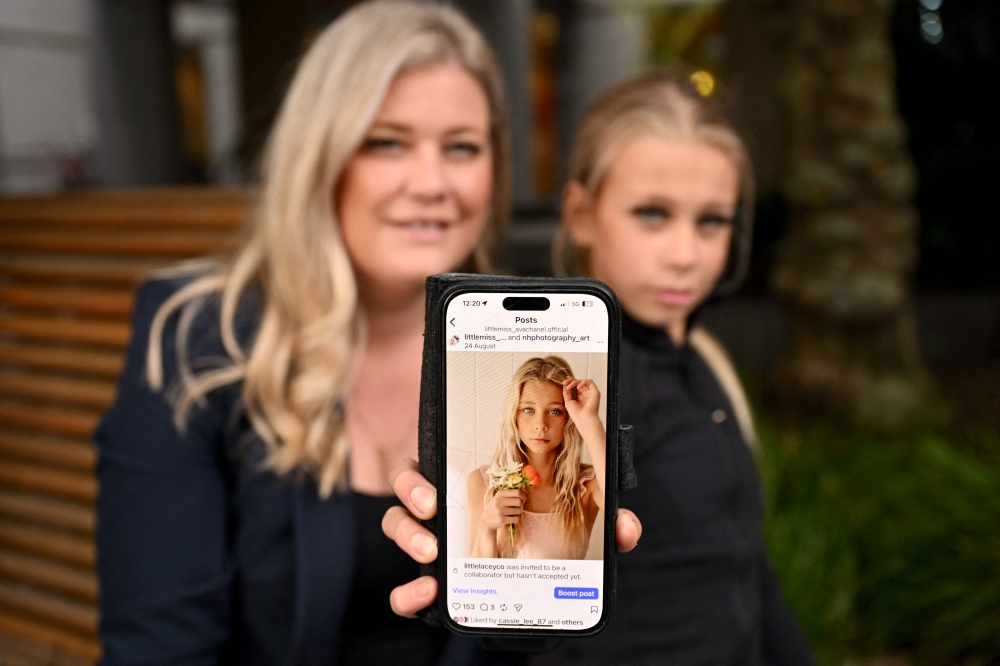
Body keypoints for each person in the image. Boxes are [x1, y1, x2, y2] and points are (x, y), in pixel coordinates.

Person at [94, 2, 640, 663]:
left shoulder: (522, 343)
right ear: (319, 157)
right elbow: (161, 647)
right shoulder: (199, 340)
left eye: (462, 147)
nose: (431, 183)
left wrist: (528, 594)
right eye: (387, 142)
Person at [385, 74, 814, 665]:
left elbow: (750, 571)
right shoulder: (611, 387)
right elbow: (516, 636)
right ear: (581, 214)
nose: (685, 254)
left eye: (712, 220)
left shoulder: (704, 361)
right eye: (652, 214)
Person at [468, 356, 605, 559]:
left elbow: (628, 509)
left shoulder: (588, 484)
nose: (541, 424)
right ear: (514, 415)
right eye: (528, 410)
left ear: (569, 417)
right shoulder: (482, 482)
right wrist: (487, 527)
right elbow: (476, 576)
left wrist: (589, 420)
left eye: (554, 411)